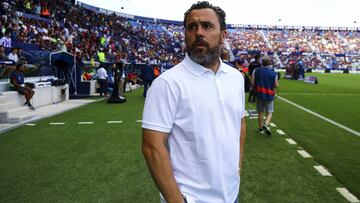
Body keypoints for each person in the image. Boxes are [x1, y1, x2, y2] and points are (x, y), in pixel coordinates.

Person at [142, 1, 246, 203]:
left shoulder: (235, 78)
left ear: (223, 35)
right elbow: (152, 146)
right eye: (192, 27)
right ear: (185, 34)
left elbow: (239, 123)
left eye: (207, 26)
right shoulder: (168, 83)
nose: (199, 32)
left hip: (231, 195)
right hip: (191, 199)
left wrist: (237, 168)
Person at [251, 55, 279, 135]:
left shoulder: (256, 70)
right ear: (270, 63)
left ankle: (260, 129)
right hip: (269, 95)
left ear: (262, 62)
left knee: (260, 112)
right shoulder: (273, 73)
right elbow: (276, 85)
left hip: (259, 94)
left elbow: (252, 83)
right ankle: (266, 124)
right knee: (269, 112)